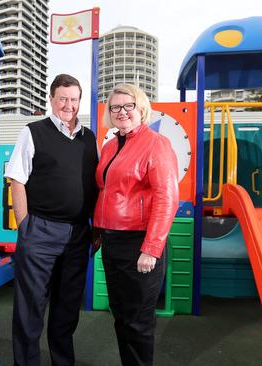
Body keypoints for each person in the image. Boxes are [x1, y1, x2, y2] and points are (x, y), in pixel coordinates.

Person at [5, 74, 98, 366]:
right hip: (41, 231)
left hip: (79, 234)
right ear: (51, 99)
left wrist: (95, 230)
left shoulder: (90, 137)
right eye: (63, 99)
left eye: (74, 99)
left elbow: (96, 184)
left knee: (67, 309)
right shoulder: (33, 132)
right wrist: (25, 228)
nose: (69, 105)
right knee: (30, 309)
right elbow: (16, 180)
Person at [93, 84, 179, 366]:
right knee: (120, 315)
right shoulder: (109, 146)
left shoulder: (156, 143)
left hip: (139, 243)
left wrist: (152, 248)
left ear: (141, 109)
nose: (122, 112)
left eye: (128, 106)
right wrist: (97, 235)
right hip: (112, 242)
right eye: (115, 107)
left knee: (139, 321)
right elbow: (104, 192)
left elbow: (167, 198)